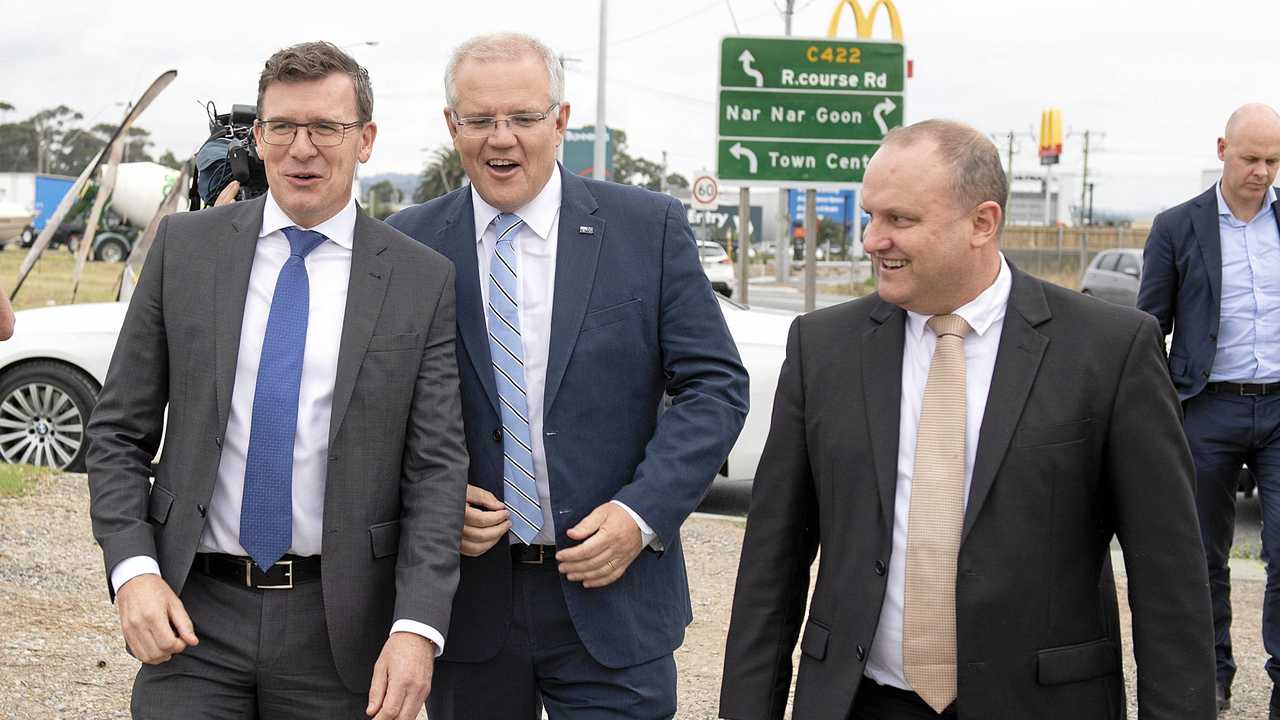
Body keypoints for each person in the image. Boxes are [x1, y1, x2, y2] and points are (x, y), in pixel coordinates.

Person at [719, 119, 1215, 720]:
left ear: (983, 222)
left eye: (900, 220)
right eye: (870, 216)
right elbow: (772, 562)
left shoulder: (1109, 351)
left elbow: (1170, 580)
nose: (873, 240)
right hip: (860, 703)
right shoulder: (823, 348)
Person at [86, 41, 468, 720]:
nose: (303, 149)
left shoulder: (420, 279)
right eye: (284, 127)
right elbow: (116, 433)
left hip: (343, 629)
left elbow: (437, 469)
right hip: (192, 620)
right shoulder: (184, 251)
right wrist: (133, 573)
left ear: (366, 139)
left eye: (327, 128)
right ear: (258, 137)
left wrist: (417, 627)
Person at [387, 31, 748, 720]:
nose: (503, 139)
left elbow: (716, 389)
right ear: (450, 125)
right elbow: (374, 406)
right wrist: (426, 499)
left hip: (616, 596)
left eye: (523, 117)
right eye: (480, 119)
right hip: (468, 607)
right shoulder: (408, 242)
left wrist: (642, 515)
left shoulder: (649, 228)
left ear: (560, 119)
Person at [1137, 103, 1280, 717]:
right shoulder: (1177, 227)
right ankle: (1212, 672)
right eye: (1251, 158)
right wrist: (1158, 410)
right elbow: (1150, 328)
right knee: (1200, 553)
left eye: (1274, 160)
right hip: (1206, 409)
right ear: (1223, 149)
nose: (1262, 171)